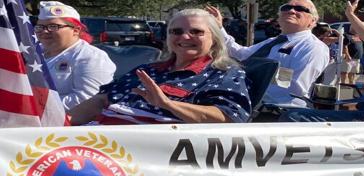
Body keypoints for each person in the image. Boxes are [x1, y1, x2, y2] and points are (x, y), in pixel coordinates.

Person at [66, 8, 250, 125]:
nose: (185, 37)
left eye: (196, 32)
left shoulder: (225, 74)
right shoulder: (149, 70)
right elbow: (101, 100)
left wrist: (168, 104)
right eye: (176, 31)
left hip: (149, 155)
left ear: (214, 39)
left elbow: (228, 117)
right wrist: (59, 127)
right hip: (100, 135)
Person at [204, 2, 328, 109]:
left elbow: (295, 87)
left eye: (300, 9)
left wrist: (259, 80)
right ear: (278, 18)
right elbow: (241, 54)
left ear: (312, 21)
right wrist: (219, 28)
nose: (291, 10)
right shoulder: (273, 42)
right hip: (251, 104)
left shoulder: (313, 47)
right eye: (286, 7)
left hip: (279, 112)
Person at [31, 3, 116, 108]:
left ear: (75, 30)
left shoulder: (90, 57)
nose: (44, 31)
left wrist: (32, 106)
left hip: (70, 123)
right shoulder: (33, 53)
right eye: (40, 26)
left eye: (53, 26)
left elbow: (88, 100)